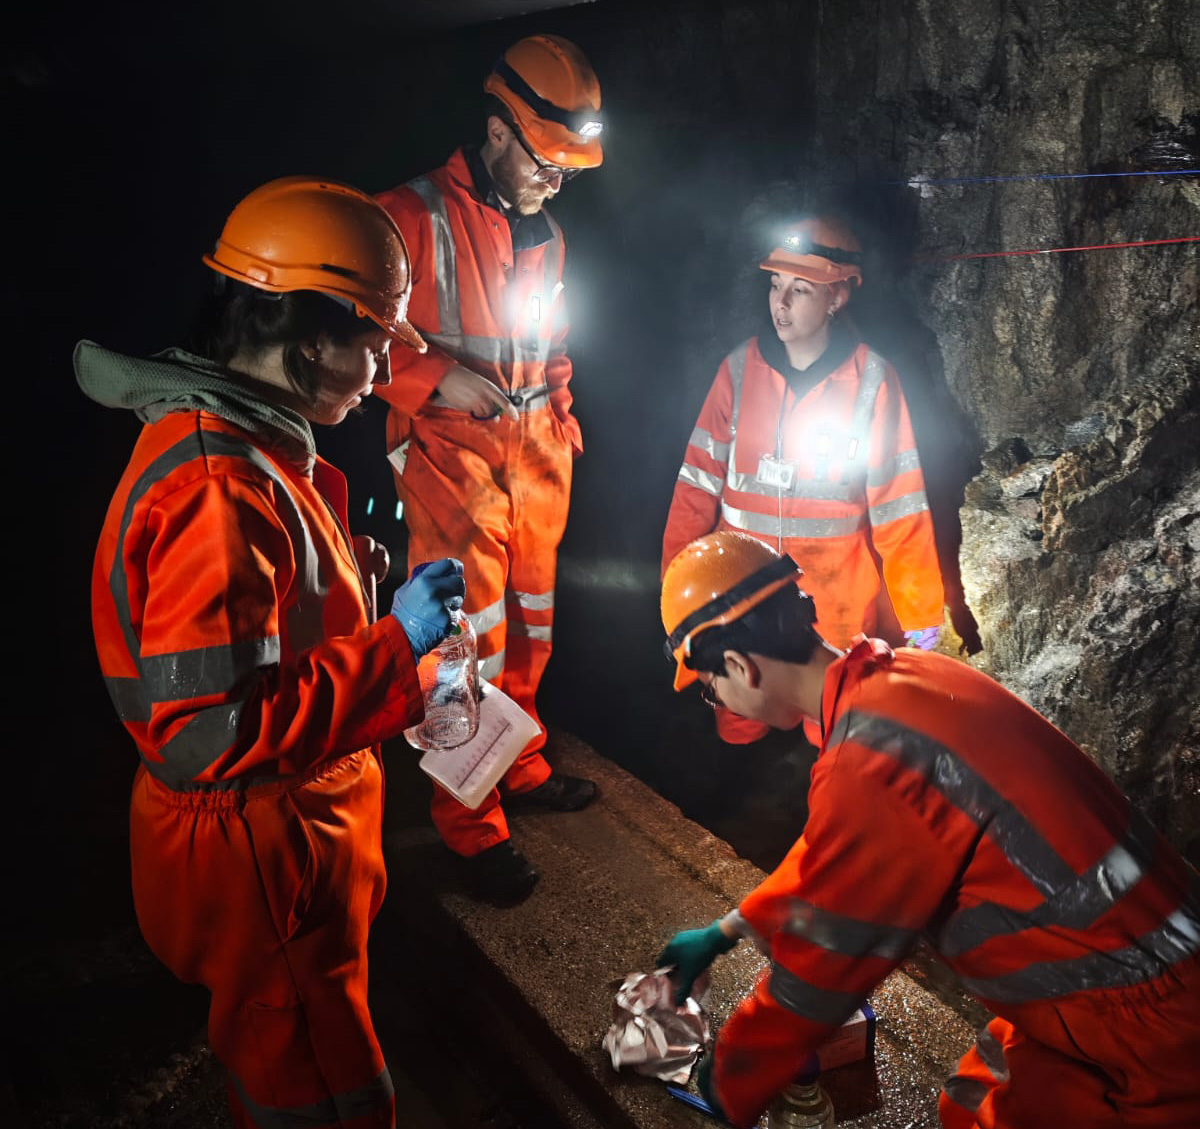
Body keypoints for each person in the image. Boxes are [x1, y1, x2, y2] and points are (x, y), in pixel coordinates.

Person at [79, 176, 468, 1129]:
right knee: (328, 1098)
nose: (383, 369)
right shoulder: (220, 483)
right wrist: (397, 640)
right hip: (265, 868)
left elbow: (245, 636)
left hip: (275, 850)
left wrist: (346, 584)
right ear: (308, 341)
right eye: (373, 341)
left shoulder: (243, 448)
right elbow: (213, 730)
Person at [656, 531, 1200, 1129]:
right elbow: (838, 856)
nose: (724, 705)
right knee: (969, 1103)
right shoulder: (906, 682)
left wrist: (732, 1079)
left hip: (1153, 1034)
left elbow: (823, 965)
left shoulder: (872, 759)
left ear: (737, 666)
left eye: (713, 693)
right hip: (1129, 979)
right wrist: (731, 926)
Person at [374, 34, 605, 903]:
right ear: (499, 132)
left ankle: (521, 762)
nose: (557, 181)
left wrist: (560, 414)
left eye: (568, 169)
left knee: (531, 625)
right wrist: (437, 377)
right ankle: (470, 825)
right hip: (447, 452)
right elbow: (353, 336)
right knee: (463, 641)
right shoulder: (406, 215)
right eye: (547, 162)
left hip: (533, 450)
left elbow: (555, 344)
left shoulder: (548, 233)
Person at [661, 216, 945, 746]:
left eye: (800, 289)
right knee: (738, 719)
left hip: (834, 603)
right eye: (774, 285)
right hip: (739, 599)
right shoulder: (739, 371)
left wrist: (923, 614)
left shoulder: (873, 383)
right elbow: (695, 488)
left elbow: (899, 505)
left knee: (835, 729)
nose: (780, 304)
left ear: (838, 297)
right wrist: (676, 594)